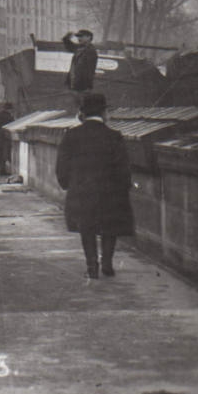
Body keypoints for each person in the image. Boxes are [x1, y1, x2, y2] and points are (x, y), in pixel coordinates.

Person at [55, 91, 135, 279]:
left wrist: (67, 184)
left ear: (83, 113)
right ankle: (107, 263)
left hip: (82, 191)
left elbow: (62, 166)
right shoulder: (114, 136)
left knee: (87, 228)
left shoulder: (72, 135)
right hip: (111, 192)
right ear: (104, 112)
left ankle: (92, 265)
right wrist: (124, 188)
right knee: (110, 227)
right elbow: (123, 167)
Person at [62, 29, 98, 98]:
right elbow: (69, 46)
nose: (79, 39)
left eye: (81, 36)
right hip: (75, 84)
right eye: (78, 37)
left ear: (89, 37)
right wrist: (67, 38)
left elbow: (89, 71)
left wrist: (87, 87)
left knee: (81, 106)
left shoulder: (90, 51)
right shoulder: (80, 48)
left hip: (82, 86)